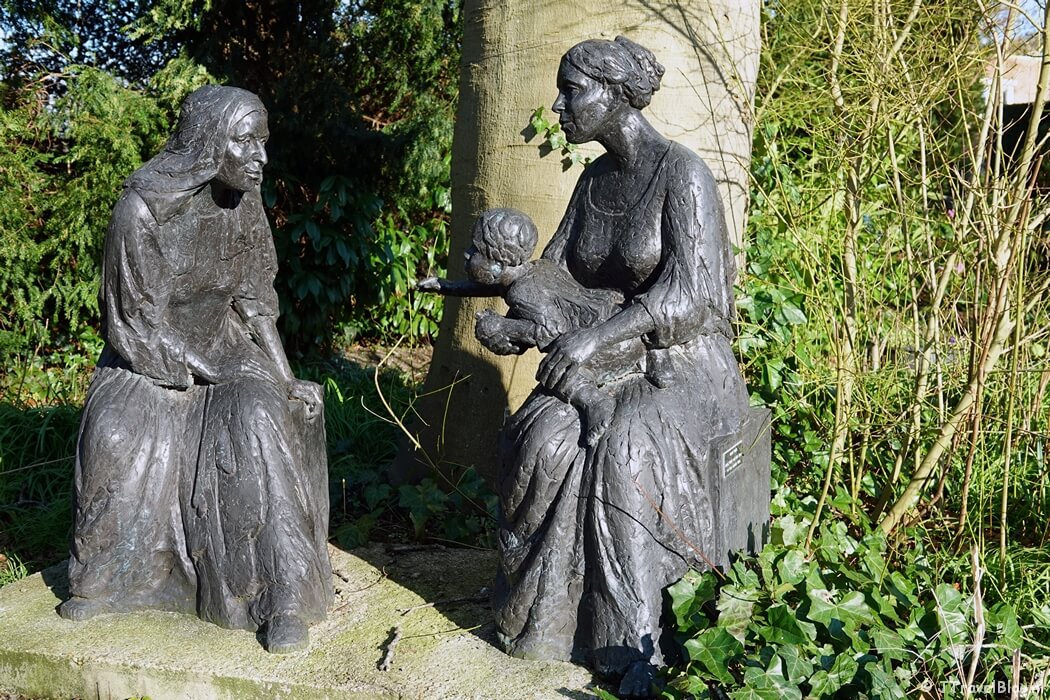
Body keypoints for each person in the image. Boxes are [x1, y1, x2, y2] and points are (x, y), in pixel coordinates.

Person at [480, 37, 750, 696]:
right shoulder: (593, 181)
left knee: (624, 449)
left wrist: (596, 338)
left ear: (616, 94)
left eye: (571, 90)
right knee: (543, 439)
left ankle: (633, 644)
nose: (559, 104)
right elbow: (555, 270)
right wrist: (516, 313)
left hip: (680, 362)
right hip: (604, 360)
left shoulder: (682, 174)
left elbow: (692, 296)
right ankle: (542, 623)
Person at [60, 86, 332, 654]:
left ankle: (280, 597)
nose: (260, 157)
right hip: (148, 359)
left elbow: (254, 303)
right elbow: (132, 320)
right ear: (209, 144)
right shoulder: (140, 209)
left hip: (228, 346)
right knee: (114, 434)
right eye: (246, 142)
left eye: (264, 142)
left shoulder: (245, 202)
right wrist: (197, 367)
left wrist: (284, 379)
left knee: (258, 419)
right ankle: (112, 581)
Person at [418, 207, 650, 445]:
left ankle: (595, 402)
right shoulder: (535, 268)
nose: (467, 254)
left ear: (499, 263)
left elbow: (549, 331)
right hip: (613, 319)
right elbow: (492, 285)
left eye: (476, 251)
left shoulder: (522, 292)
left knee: (552, 370)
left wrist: (502, 326)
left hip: (606, 346)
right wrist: (447, 286)